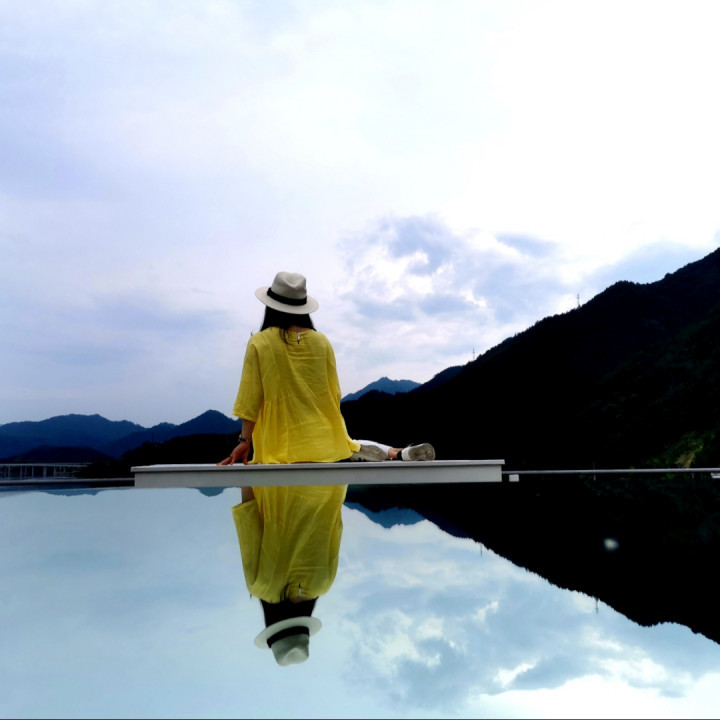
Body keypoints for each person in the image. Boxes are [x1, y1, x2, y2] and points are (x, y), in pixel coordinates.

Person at [218, 272, 434, 666]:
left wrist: (244, 446)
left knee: (347, 451)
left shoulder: (260, 343)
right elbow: (332, 394)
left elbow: (251, 399)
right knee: (350, 445)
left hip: (282, 451)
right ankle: (394, 453)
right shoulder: (322, 342)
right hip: (326, 443)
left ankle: (382, 452)